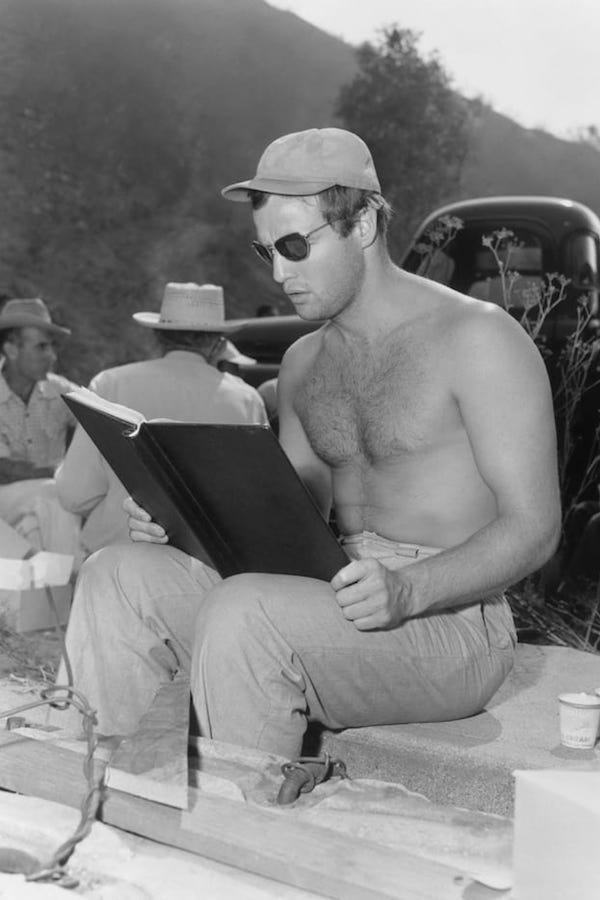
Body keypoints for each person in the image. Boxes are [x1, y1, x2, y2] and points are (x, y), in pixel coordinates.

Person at [62, 128, 561, 758]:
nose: (279, 272)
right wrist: (182, 512)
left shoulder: (478, 339)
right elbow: (283, 517)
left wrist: (410, 588)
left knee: (247, 613)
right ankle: (109, 792)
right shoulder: (302, 365)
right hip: (329, 589)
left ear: (364, 225)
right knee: (116, 575)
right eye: (266, 249)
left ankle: (236, 825)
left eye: (296, 246)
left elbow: (536, 528)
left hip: (447, 620)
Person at [55, 283, 268, 556]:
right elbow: (254, 501)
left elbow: (74, 494)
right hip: (212, 570)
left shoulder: (111, 383)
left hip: (118, 562)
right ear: (217, 343)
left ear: (157, 337)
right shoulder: (246, 399)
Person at [0, 297, 81, 560]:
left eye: (51, 347)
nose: (52, 356)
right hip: (9, 504)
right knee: (54, 496)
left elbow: (103, 421)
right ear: (11, 349)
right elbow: (7, 470)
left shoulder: (60, 391)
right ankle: (74, 582)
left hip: (46, 508)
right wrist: (64, 474)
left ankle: (58, 588)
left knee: (38, 526)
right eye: (42, 347)